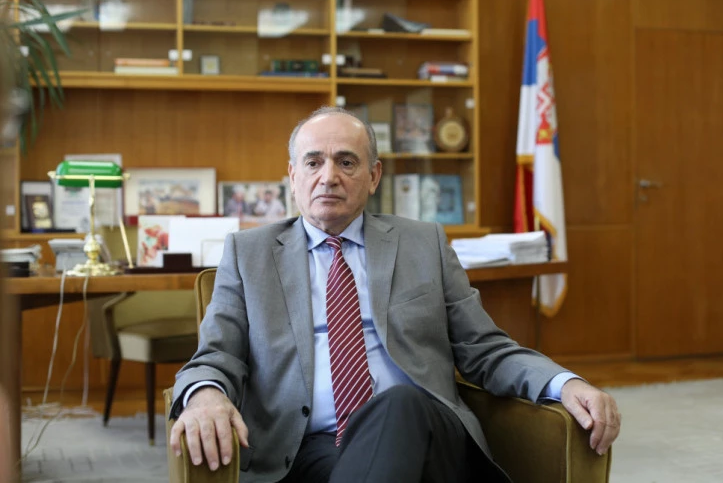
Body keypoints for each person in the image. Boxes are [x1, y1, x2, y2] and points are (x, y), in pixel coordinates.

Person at [169, 106, 621, 482]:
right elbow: (215, 356)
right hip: (310, 447)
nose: (328, 177)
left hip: (430, 436)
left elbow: (485, 348)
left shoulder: (423, 244)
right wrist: (205, 394)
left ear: (374, 176)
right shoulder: (249, 255)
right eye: (313, 162)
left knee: (401, 404)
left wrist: (564, 382)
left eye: (346, 162)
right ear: (292, 175)